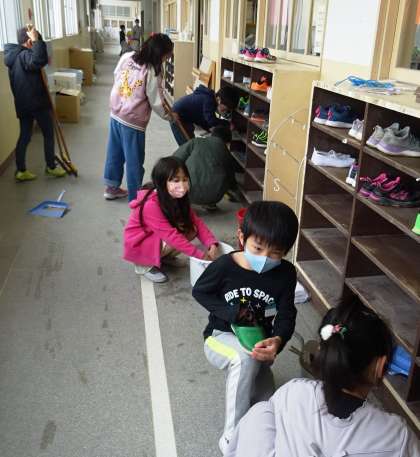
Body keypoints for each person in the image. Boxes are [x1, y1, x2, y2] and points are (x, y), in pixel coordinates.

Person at [224, 301, 420, 457]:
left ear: (322, 351)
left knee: (260, 411)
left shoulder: (293, 391)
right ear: (380, 366)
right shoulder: (397, 437)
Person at [192, 201, 299, 453]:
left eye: (275, 253)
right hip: (220, 336)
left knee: (265, 404)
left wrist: (278, 340)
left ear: (286, 251)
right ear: (242, 237)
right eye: (258, 248)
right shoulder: (225, 266)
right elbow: (200, 292)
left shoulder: (286, 273)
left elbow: (287, 314)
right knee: (243, 360)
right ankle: (232, 437)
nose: (264, 258)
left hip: (258, 342)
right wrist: (233, 314)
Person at [123, 157, 219, 283]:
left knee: (191, 229)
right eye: (176, 180)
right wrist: (201, 256)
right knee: (175, 237)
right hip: (140, 244)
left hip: (155, 237)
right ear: (162, 182)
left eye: (185, 179)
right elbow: (171, 236)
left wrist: (211, 243)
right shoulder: (151, 205)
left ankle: (163, 258)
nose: (182, 185)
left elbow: (196, 222)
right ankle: (144, 266)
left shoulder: (176, 196)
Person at [103, 33, 174, 202]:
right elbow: (156, 101)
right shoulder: (152, 70)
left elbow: (116, 75)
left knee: (115, 152)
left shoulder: (127, 56)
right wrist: (170, 116)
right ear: (159, 53)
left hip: (116, 113)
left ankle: (111, 188)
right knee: (134, 160)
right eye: (167, 56)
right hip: (133, 122)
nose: (166, 59)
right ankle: (135, 198)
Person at [4, 26, 66, 182]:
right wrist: (36, 40)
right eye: (34, 40)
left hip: (24, 104)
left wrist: (37, 40)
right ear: (29, 41)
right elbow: (39, 60)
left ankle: (21, 170)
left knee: (24, 136)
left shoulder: (14, 56)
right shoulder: (25, 56)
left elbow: (39, 59)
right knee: (48, 133)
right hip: (36, 103)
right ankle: (51, 166)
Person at [173, 125, 234, 210]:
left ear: (212, 135)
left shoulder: (196, 142)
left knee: (178, 169)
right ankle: (209, 203)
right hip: (215, 196)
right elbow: (231, 176)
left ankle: (183, 202)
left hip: (188, 193)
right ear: (227, 142)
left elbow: (174, 159)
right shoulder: (226, 152)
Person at [171, 85, 239, 145]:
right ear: (218, 99)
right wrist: (227, 124)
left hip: (184, 117)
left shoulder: (209, 98)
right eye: (224, 109)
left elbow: (203, 119)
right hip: (177, 117)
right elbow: (211, 120)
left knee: (191, 143)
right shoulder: (209, 100)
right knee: (186, 145)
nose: (225, 112)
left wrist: (208, 128)